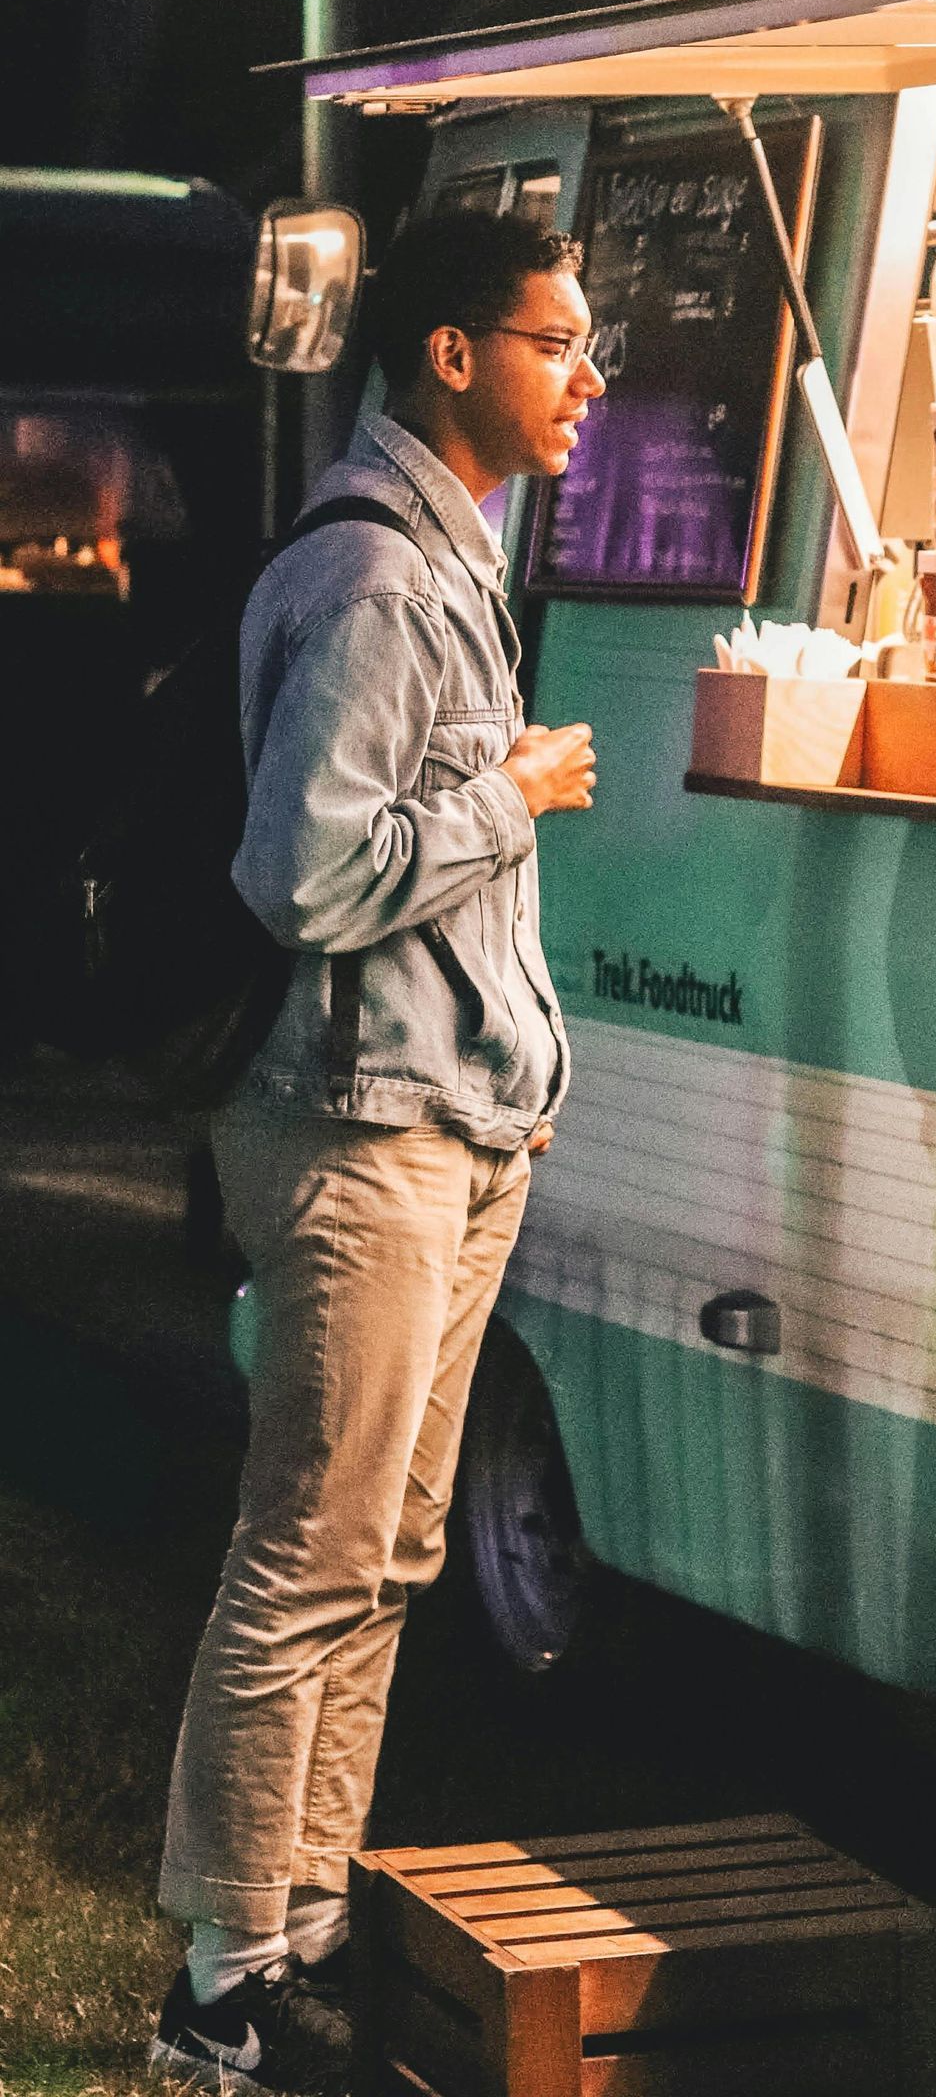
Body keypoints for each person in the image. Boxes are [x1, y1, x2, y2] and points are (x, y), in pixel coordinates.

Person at [149, 207, 605, 2091]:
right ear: (448, 352)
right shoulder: (376, 583)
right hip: (355, 1133)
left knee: (394, 1547)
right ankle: (218, 1978)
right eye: (558, 341)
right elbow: (306, 871)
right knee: (312, 1550)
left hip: (446, 1120)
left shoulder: (445, 561)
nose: (586, 378)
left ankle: (304, 1929)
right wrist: (508, 797)